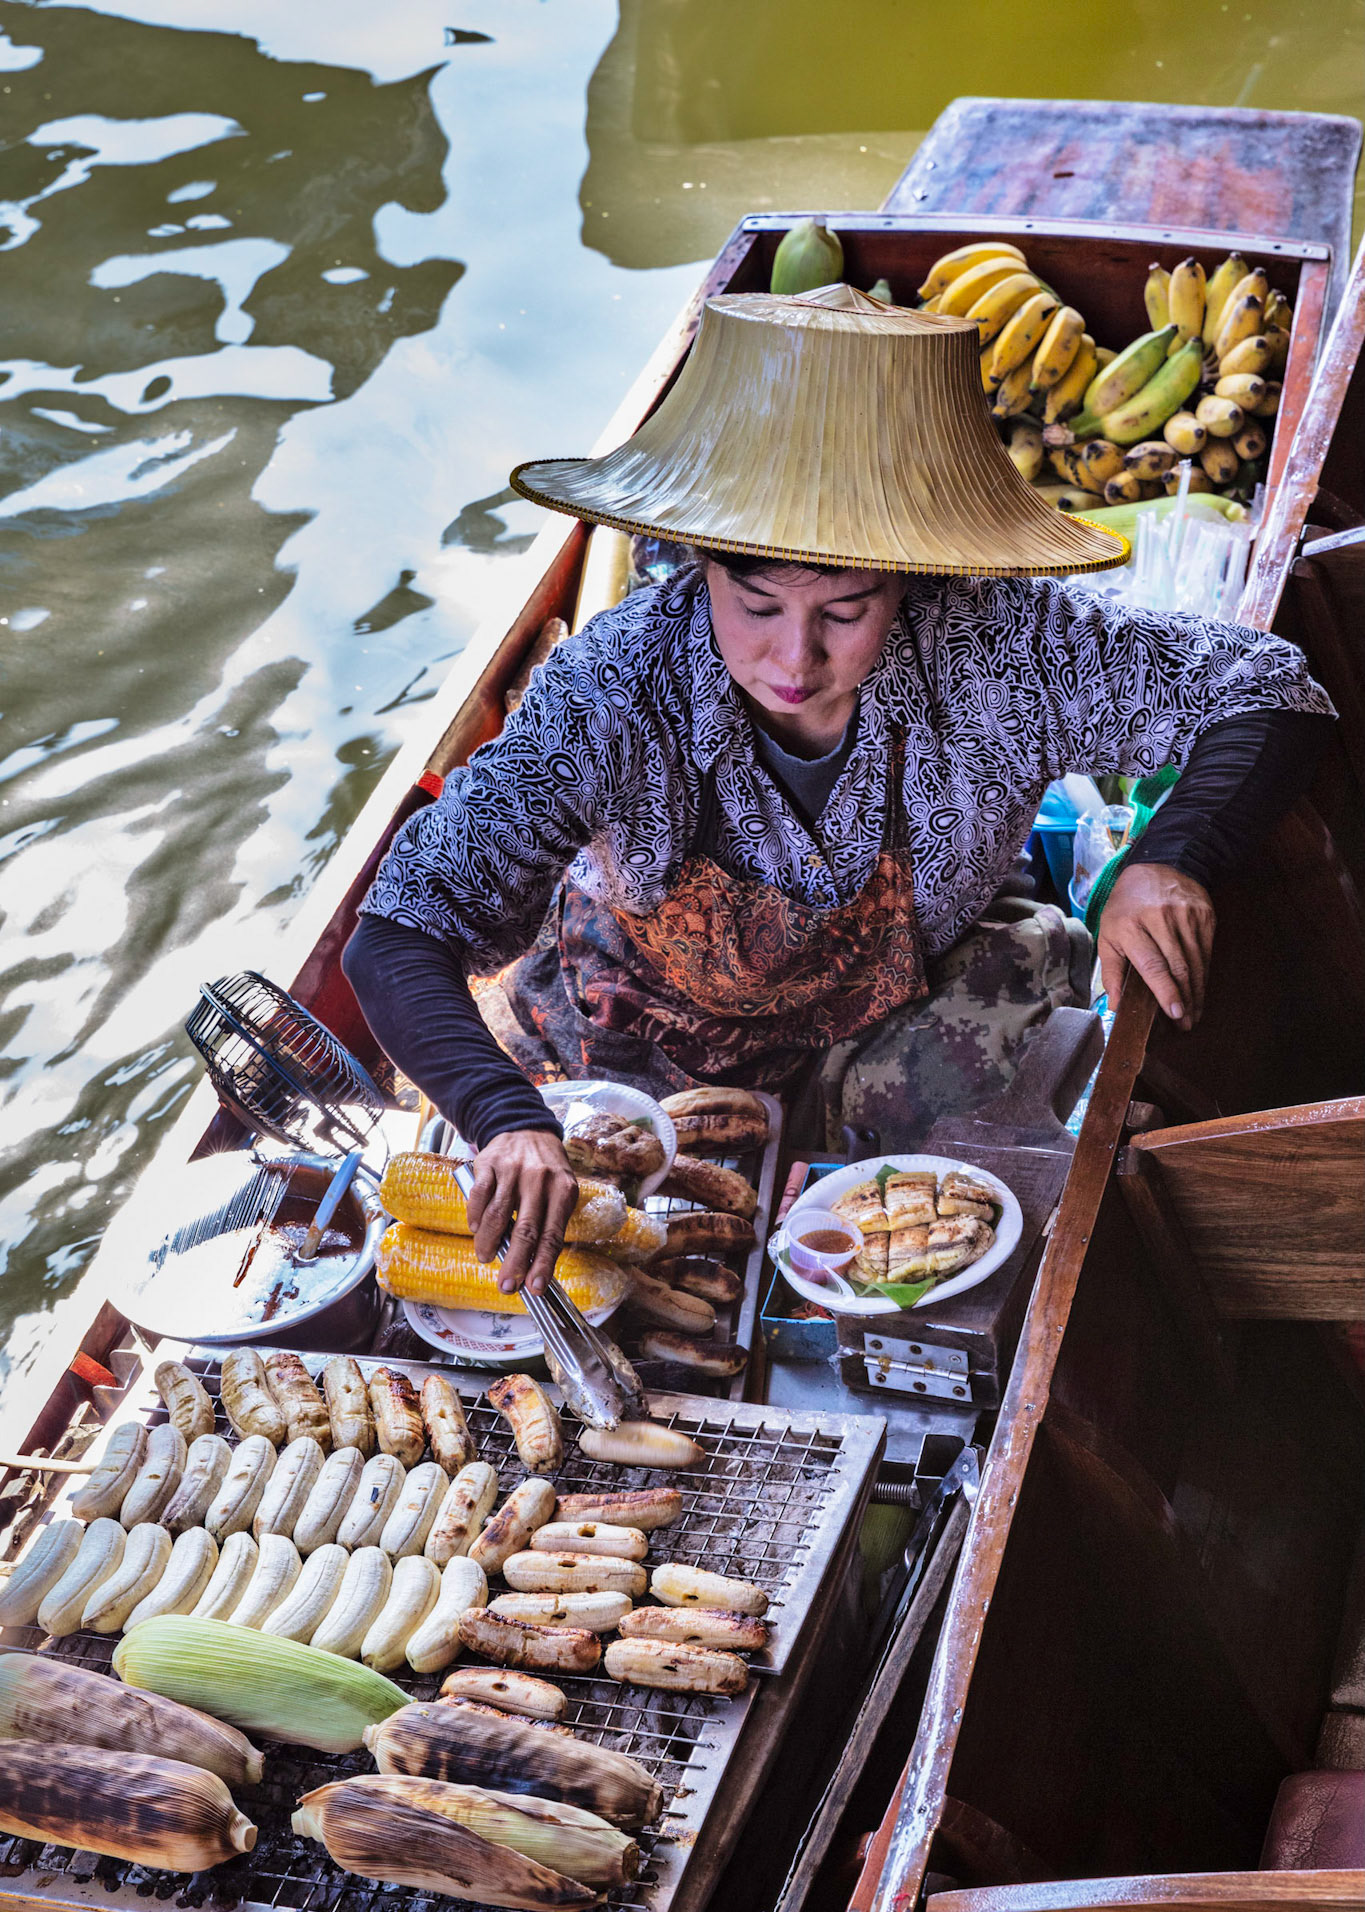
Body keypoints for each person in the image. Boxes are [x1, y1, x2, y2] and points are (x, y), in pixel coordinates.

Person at [345, 285, 1330, 1296]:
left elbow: (1274, 692)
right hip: (632, 1039)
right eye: (756, 602)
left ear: (911, 576)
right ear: (697, 565)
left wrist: (1170, 857)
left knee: (1019, 1142)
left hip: (889, 1020)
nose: (795, 657)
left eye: (847, 610)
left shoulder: (1000, 646)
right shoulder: (613, 685)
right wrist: (502, 1116)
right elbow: (396, 932)